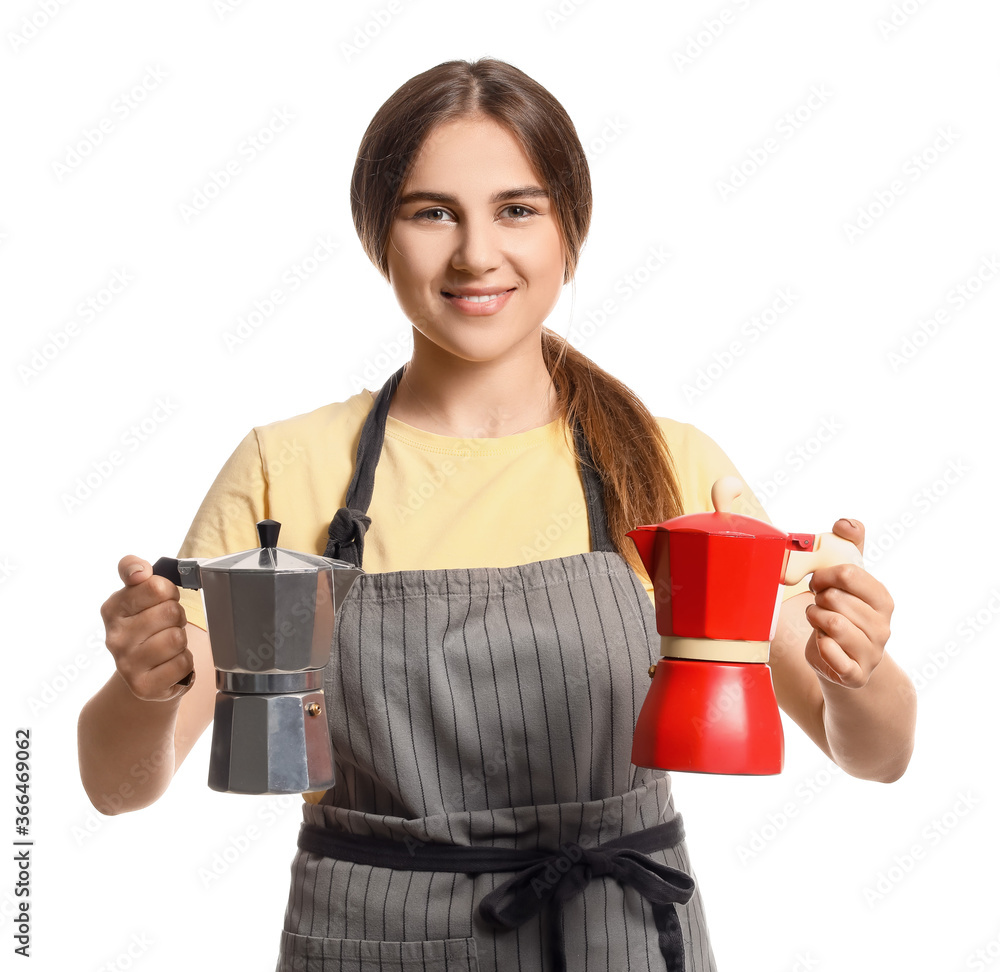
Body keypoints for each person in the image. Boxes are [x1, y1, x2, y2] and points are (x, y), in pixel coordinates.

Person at [78, 58, 917, 972]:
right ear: (377, 238)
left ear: (570, 232)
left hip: (617, 939)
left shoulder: (669, 465)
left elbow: (873, 756)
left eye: (517, 210)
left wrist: (855, 669)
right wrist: (143, 686)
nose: (476, 252)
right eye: (432, 211)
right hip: (367, 942)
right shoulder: (289, 470)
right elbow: (119, 788)